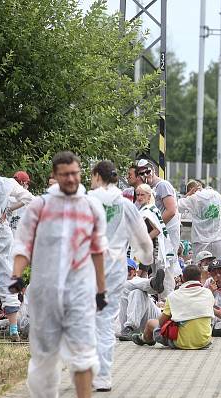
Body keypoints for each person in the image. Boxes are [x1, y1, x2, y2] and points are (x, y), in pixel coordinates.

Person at [10, 151, 108, 398]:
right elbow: (23, 244)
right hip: (46, 292)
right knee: (44, 356)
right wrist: (16, 275)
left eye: (75, 173)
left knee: (84, 352)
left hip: (80, 291)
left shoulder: (91, 207)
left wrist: (101, 289)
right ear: (54, 176)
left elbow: (98, 250)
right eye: (65, 175)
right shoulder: (40, 207)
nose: (72, 179)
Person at [88, 160, 154, 391]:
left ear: (97, 176)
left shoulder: (86, 201)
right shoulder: (126, 206)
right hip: (114, 269)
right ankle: (103, 377)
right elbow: (143, 240)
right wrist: (146, 260)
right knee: (105, 321)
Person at [0, 152, 34, 342]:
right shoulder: (6, 183)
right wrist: (8, 209)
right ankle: (14, 329)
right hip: (2, 234)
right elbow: (29, 199)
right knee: (7, 278)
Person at [132, 265, 214, 349]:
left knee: (151, 323)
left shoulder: (173, 295)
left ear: (183, 278)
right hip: (204, 341)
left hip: (180, 343)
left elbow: (161, 323)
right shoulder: (208, 293)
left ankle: (145, 339)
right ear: (200, 278)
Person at [136, 159, 182, 292]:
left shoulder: (162, 185)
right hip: (158, 233)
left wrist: (156, 226)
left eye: (147, 171)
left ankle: (167, 299)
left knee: (166, 266)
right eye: (141, 173)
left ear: (153, 170)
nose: (145, 175)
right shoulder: (147, 188)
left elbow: (171, 210)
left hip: (167, 232)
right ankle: (159, 296)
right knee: (156, 266)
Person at [136, 183, 173, 297]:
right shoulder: (150, 208)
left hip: (151, 249)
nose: (139, 197)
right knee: (146, 277)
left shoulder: (148, 210)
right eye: (137, 195)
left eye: (142, 195)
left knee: (140, 277)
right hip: (151, 249)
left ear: (148, 196)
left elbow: (157, 230)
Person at [178, 179, 221, 260]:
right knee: (220, 266)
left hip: (201, 241)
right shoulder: (215, 194)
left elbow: (176, 206)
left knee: (200, 268)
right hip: (219, 239)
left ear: (191, 190)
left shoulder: (193, 198)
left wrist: (187, 195)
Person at [117, 259, 162, 341]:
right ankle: (152, 284)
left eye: (127, 270)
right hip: (129, 326)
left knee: (134, 289)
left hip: (153, 320)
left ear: (134, 272)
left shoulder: (136, 280)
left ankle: (130, 328)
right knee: (130, 289)